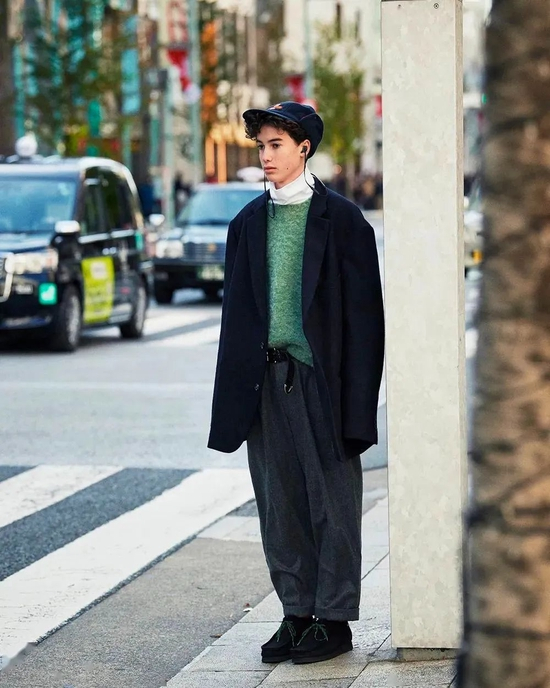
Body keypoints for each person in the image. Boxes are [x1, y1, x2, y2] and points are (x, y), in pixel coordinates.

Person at [208, 102, 385, 665]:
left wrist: (359, 406)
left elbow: (366, 324)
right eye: (261, 146)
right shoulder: (246, 224)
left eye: (276, 145)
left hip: (320, 382)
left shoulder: (345, 222)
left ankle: (334, 619)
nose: (265, 156)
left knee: (332, 503)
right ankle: (297, 613)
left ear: (304, 147)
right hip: (265, 382)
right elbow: (235, 320)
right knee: (279, 505)